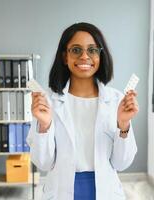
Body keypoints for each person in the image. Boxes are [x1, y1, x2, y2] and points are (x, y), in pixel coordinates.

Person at [28, 22, 138, 200]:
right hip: (62, 191)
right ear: (65, 56)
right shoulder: (47, 103)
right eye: (76, 50)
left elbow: (121, 163)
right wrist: (44, 125)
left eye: (92, 50)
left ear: (100, 56)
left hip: (105, 191)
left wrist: (123, 125)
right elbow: (43, 163)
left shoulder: (117, 101)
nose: (85, 56)